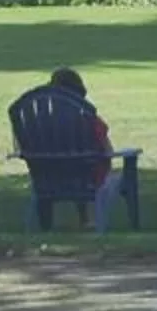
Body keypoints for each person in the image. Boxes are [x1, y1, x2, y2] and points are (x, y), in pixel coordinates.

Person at [51, 67, 113, 207]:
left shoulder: (40, 123)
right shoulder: (91, 121)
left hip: (49, 178)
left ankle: (81, 218)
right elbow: (108, 151)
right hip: (91, 178)